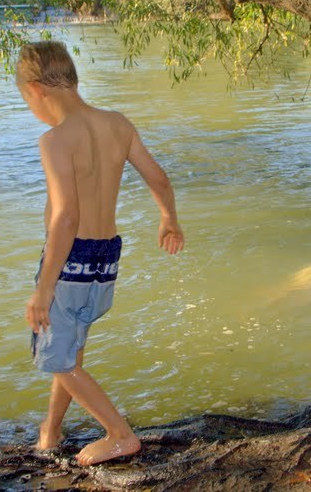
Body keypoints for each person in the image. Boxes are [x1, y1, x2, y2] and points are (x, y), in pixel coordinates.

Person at [16, 40, 184, 466]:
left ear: (37, 90)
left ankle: (119, 434)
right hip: (106, 258)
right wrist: (168, 219)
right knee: (69, 352)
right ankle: (49, 432)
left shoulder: (55, 140)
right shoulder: (117, 124)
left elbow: (65, 219)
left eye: (24, 98)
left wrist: (42, 288)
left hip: (68, 261)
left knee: (58, 361)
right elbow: (159, 178)